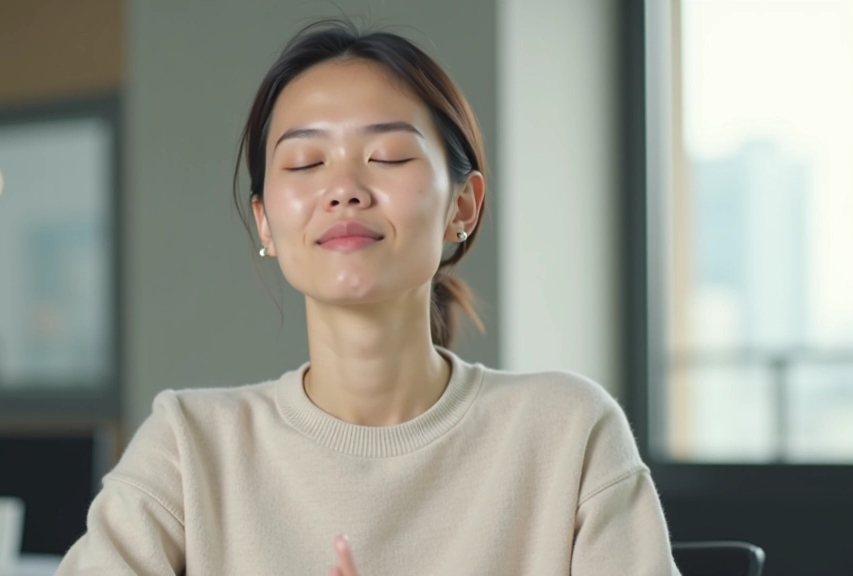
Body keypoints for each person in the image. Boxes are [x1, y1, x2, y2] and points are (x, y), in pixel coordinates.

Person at [55, 20, 681, 576]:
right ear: (265, 221)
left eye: (389, 155)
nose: (345, 189)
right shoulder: (190, 447)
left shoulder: (566, 431)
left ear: (462, 206)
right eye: (304, 163)